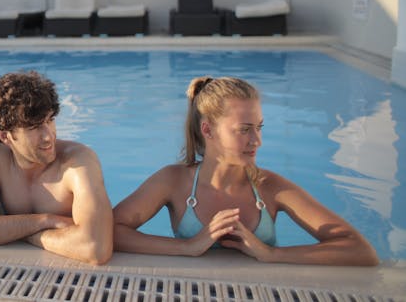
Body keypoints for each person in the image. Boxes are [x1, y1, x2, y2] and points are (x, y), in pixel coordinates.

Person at [113, 76, 379, 266]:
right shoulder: (173, 181)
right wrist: (187, 246)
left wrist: (270, 254)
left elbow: (360, 250)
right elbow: (110, 230)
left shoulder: (271, 188)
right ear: (208, 130)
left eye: (259, 127)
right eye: (244, 130)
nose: (257, 141)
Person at [0, 71, 113, 265]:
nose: (48, 136)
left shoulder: (77, 161)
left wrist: (18, 232)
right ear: (5, 136)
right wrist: (44, 221)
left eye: (50, 120)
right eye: (34, 127)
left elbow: (96, 248)